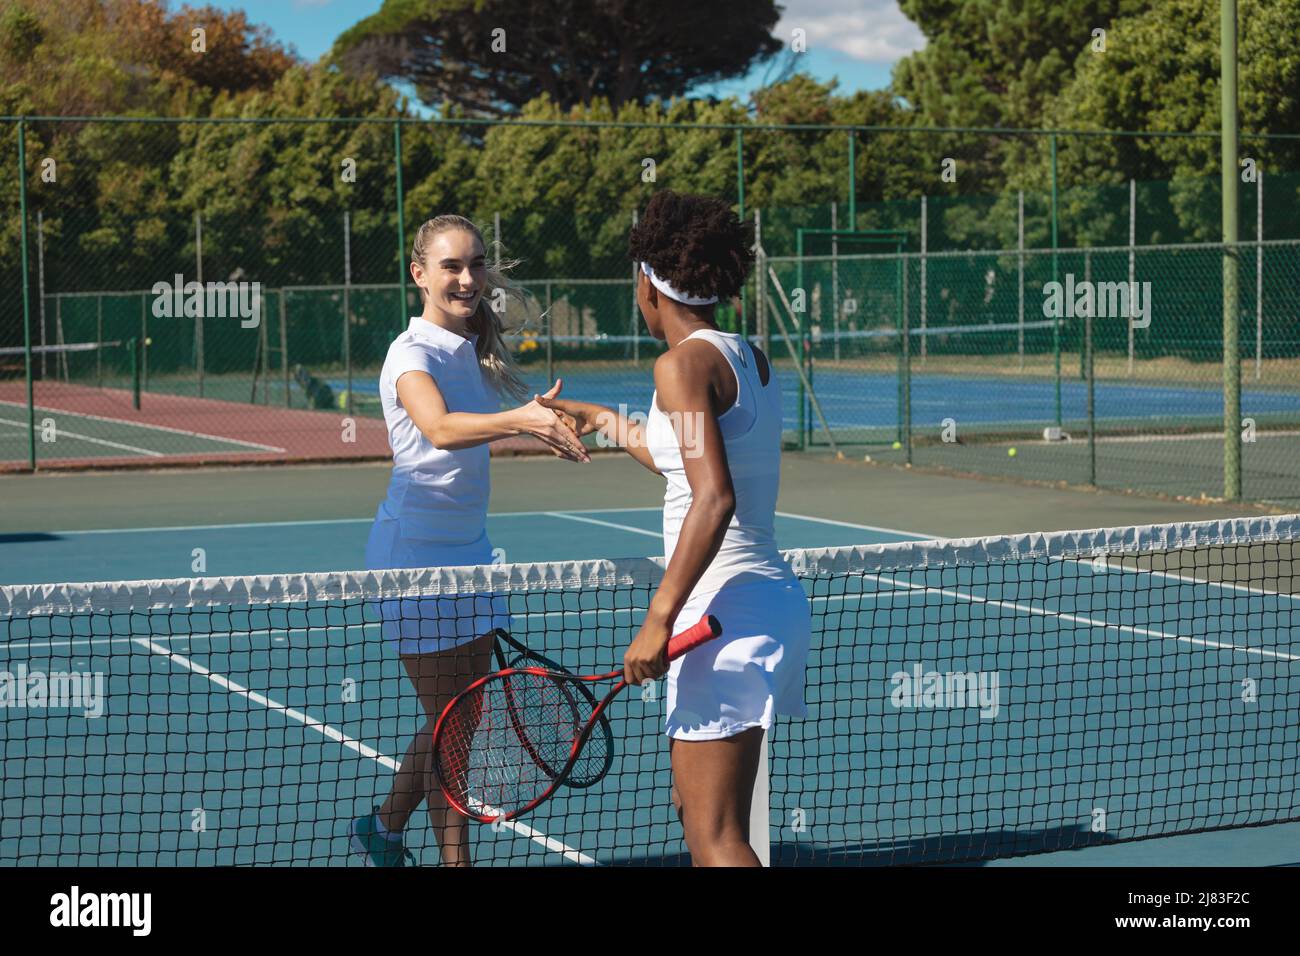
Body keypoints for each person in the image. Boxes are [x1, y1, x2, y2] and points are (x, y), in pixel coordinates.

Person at [539, 190, 811, 866]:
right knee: (703, 820)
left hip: (722, 611)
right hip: (763, 602)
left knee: (715, 838)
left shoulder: (680, 366)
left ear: (647, 285)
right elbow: (688, 465)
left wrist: (659, 618)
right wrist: (600, 418)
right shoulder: (746, 356)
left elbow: (712, 497)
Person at [350, 214, 589, 867]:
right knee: (452, 724)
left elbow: (480, 419)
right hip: (414, 562)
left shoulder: (473, 348)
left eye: (476, 264)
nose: (466, 277)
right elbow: (440, 427)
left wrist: (539, 420)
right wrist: (520, 419)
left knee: (460, 719)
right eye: (452, 265)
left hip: (473, 556)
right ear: (419, 273)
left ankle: (383, 829)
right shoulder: (411, 354)